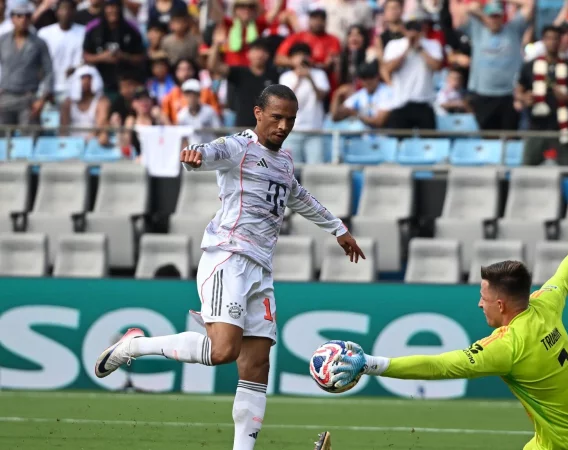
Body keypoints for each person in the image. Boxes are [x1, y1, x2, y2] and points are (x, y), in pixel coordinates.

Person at [94, 84, 366, 450]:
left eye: (291, 119)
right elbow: (209, 152)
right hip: (228, 257)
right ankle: (133, 347)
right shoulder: (239, 146)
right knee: (223, 351)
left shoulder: (284, 162)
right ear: (258, 113)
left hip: (261, 270)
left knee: (256, 367)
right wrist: (195, 157)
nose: (284, 126)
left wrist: (338, 228)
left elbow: (299, 196)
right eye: (277, 117)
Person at [324, 204, 568, 450]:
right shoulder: (546, 304)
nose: (478, 304)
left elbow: (439, 366)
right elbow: (565, 273)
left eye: (483, 298)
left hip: (565, 446)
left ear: (500, 305)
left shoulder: (509, 347)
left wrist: (369, 364)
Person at [516, 25, 568, 166]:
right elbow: (518, 91)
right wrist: (525, 98)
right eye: (548, 38)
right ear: (543, 41)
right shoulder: (530, 66)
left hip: (563, 128)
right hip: (536, 127)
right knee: (527, 170)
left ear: (561, 41)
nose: (552, 42)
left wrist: (566, 97)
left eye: (556, 38)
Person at [459, 0, 531, 131]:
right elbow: (463, 11)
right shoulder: (477, 29)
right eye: (491, 16)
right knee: (488, 139)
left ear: (502, 17)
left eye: (497, 16)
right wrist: (481, 14)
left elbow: (529, 4)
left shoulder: (513, 29)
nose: (494, 20)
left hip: (509, 95)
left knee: (510, 138)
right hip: (484, 95)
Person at [0, 0, 53, 126]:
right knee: (1, 140)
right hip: (5, 96)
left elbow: (48, 71)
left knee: (29, 140)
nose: (23, 20)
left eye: (27, 16)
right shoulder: (2, 41)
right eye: (19, 16)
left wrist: (42, 99)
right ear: (12, 19)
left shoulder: (39, 43)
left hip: (29, 97)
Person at [210, 36, 279, 128]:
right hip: (242, 128)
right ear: (248, 54)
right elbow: (214, 66)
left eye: (263, 51)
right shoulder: (239, 72)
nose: (259, 54)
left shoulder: (274, 75)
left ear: (268, 55)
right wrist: (216, 45)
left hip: (266, 128)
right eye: (256, 50)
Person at [278, 42, 329, 163]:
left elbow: (321, 97)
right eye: (297, 55)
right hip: (292, 130)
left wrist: (310, 78)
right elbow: (285, 101)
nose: (301, 58)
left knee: (315, 171)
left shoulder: (319, 74)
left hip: (314, 130)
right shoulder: (286, 77)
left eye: (304, 55)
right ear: (291, 59)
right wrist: (298, 79)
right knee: (292, 171)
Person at [82, 0, 146, 94]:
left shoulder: (131, 28)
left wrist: (123, 56)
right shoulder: (93, 28)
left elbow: (141, 57)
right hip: (100, 83)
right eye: (109, 7)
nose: (113, 10)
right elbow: (85, 56)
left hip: (127, 83)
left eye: (115, 7)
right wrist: (102, 57)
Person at [37, 0, 84, 102]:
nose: (66, 12)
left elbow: (86, 58)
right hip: (48, 88)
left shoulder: (83, 32)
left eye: (69, 9)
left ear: (74, 12)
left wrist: (77, 68)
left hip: (72, 89)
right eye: (62, 9)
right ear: (56, 12)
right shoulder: (44, 33)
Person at [275, 6, 340, 72]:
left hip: (323, 76)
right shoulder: (297, 36)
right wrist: (294, 61)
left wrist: (329, 63)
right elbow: (278, 58)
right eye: (314, 18)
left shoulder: (333, 40)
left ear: (325, 21)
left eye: (321, 19)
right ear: (309, 19)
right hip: (299, 75)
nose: (318, 22)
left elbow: (332, 63)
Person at [330, 61, 392, 128]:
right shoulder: (360, 95)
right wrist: (337, 95)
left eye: (371, 76)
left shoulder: (387, 92)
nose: (368, 81)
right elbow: (335, 117)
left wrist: (357, 114)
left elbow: (378, 122)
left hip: (385, 136)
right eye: (364, 77)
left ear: (377, 76)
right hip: (364, 137)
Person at [161, 58, 221, 125]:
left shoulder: (206, 92)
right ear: (176, 72)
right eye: (181, 70)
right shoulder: (171, 94)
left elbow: (217, 115)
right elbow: (165, 114)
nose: (185, 73)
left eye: (188, 69)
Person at [60, 65, 109, 140]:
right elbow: (63, 129)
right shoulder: (67, 103)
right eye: (82, 78)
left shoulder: (102, 102)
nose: (86, 82)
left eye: (89, 78)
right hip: (71, 145)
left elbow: (101, 124)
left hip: (93, 144)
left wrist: (86, 141)